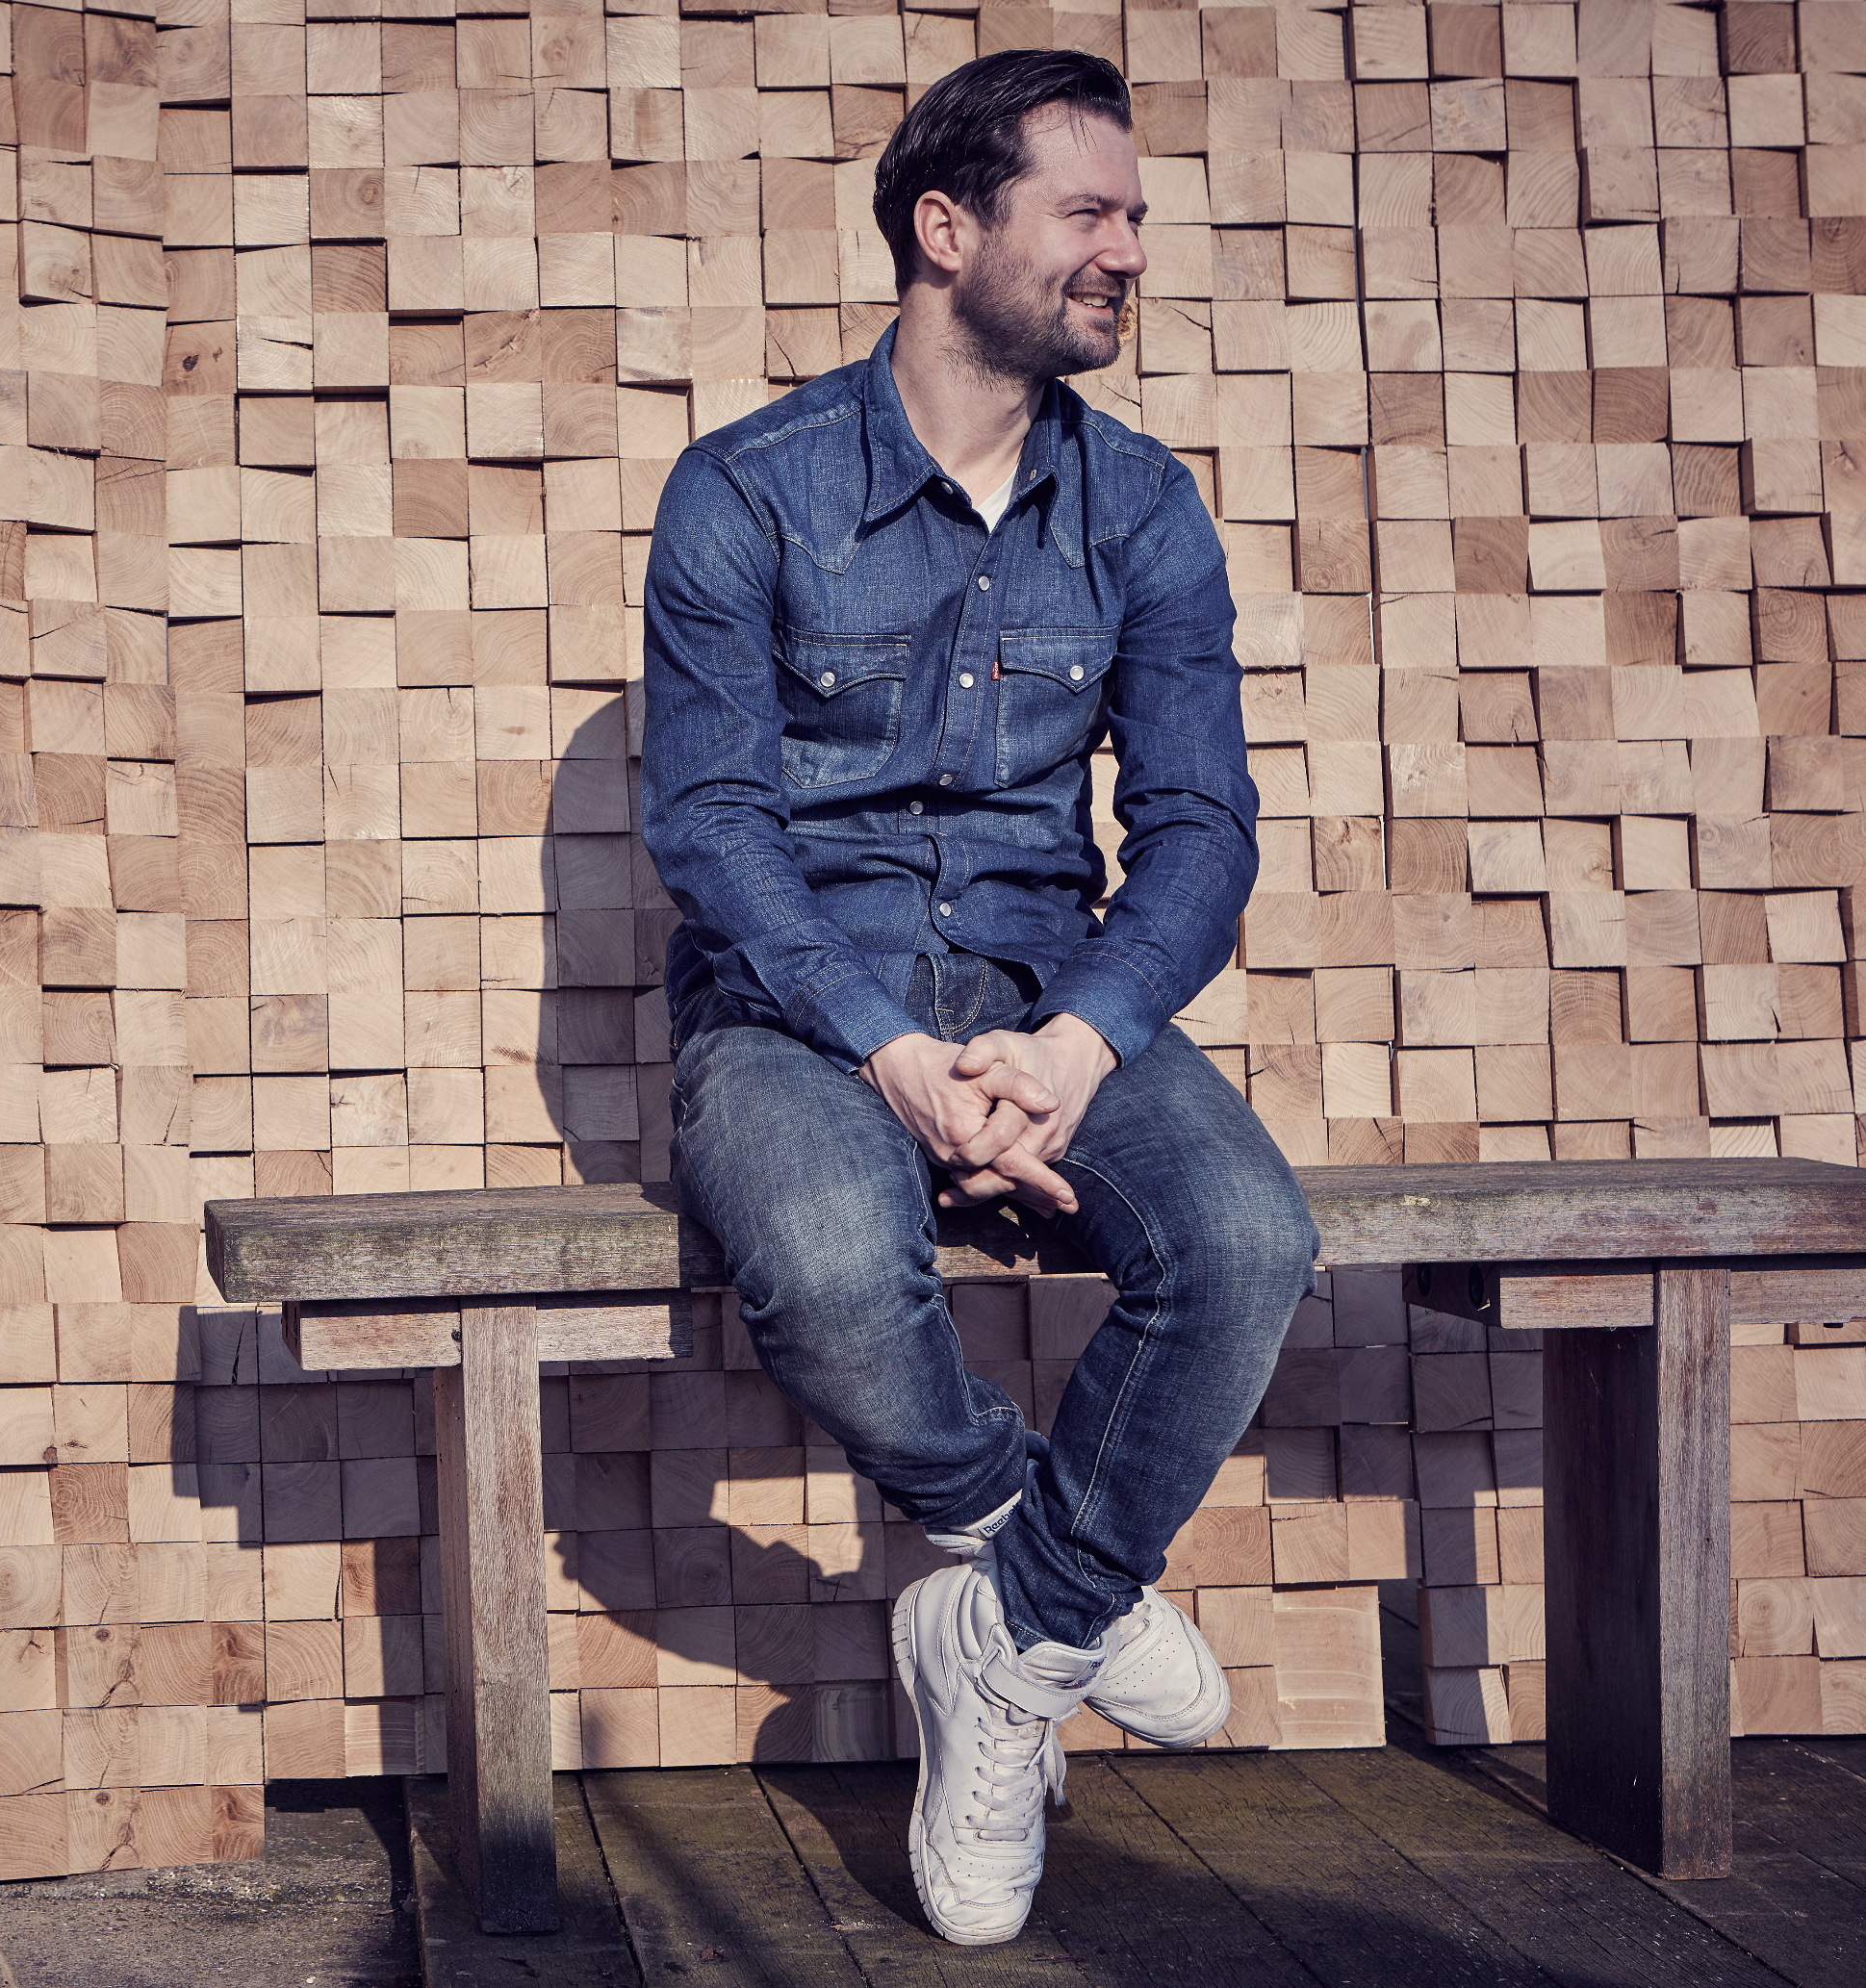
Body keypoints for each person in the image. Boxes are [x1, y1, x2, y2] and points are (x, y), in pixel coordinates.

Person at [636, 47, 1321, 1946]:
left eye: (1134, 217)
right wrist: (890, 1048)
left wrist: (1080, 1034)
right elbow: (710, 820)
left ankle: (1005, 1648)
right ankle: (1053, 1562)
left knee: (1249, 1238)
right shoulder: (746, 496)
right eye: (1086, 212)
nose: (1127, 248)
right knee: (836, 1262)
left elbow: (1196, 824)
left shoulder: (1144, 508)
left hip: (1053, 992)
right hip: (801, 1014)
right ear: (946, 230)